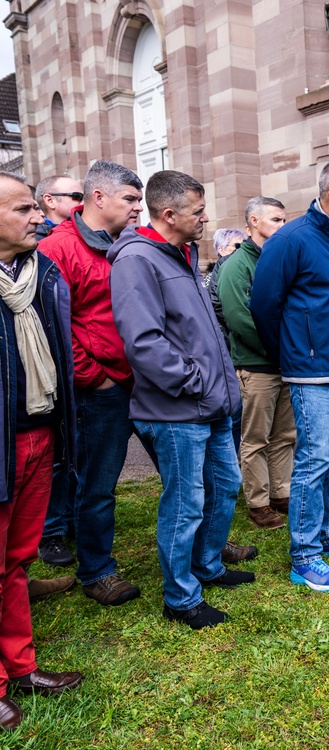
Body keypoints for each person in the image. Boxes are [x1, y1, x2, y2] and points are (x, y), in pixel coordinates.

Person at [110, 170, 252, 630]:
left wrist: (219, 382)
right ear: (168, 214)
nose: (205, 218)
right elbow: (144, 342)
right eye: (197, 211)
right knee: (186, 503)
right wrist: (196, 382)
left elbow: (198, 329)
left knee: (225, 486)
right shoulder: (137, 259)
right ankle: (180, 597)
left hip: (208, 405)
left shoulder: (181, 253)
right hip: (175, 411)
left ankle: (207, 566)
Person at [250, 158, 329, 593]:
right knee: (313, 461)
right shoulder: (291, 239)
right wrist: (293, 354)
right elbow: (264, 306)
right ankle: (305, 555)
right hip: (313, 372)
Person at [38, 160, 145, 607]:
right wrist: (93, 378)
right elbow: (54, 325)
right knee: (97, 483)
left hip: (146, 380)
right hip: (102, 389)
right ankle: (97, 571)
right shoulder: (59, 249)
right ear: (97, 198)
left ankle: (206, 549)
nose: (139, 208)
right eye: (131, 199)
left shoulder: (133, 243)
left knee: (183, 468)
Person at [0, 172, 83, 730]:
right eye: (25, 208)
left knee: (16, 561)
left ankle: (20, 666)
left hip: (38, 433)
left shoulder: (41, 271)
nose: (39, 217)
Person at [216, 197, 293, 531]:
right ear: (254, 221)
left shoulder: (279, 260)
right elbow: (239, 319)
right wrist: (280, 349)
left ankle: (281, 493)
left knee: (285, 435)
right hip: (259, 365)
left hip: (286, 363)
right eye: (276, 220)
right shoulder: (237, 265)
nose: (282, 226)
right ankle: (258, 502)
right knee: (255, 438)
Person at [33, 174, 84, 567]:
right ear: (51, 200)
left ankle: (65, 524)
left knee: (69, 454)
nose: (83, 202)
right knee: (54, 455)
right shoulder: (47, 245)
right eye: (76, 195)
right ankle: (51, 533)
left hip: (75, 371)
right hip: (51, 371)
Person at [33, 175, 83, 241]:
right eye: (77, 196)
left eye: (84, 197)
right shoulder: (33, 244)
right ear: (50, 201)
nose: (83, 202)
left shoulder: (89, 231)